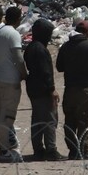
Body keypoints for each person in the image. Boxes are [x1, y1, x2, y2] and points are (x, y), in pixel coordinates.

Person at [56, 20, 88, 159]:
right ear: (87, 32)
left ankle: (73, 150)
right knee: (84, 120)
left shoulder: (65, 47)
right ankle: (83, 149)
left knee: (70, 121)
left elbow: (59, 67)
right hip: (86, 89)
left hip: (70, 89)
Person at [0, 5, 27, 162]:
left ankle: (3, 146)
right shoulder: (13, 34)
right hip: (9, 80)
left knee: (1, 113)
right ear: (18, 19)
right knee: (7, 116)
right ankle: (4, 150)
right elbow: (18, 58)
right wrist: (24, 74)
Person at [24, 19, 59, 161]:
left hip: (33, 88)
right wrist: (52, 90)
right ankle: (51, 150)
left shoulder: (31, 47)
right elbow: (45, 72)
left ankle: (38, 149)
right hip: (43, 89)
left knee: (37, 119)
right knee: (49, 119)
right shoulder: (40, 49)